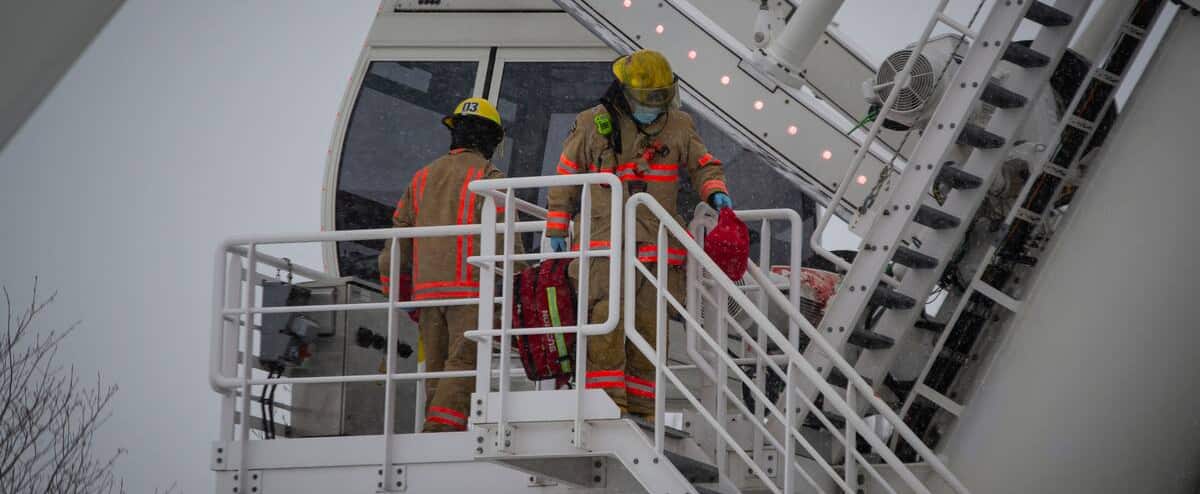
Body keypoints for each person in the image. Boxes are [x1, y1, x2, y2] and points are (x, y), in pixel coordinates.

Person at [545, 49, 733, 421]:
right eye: (649, 99)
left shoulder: (679, 125)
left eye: (661, 97)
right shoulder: (590, 123)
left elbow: (702, 163)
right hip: (603, 248)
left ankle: (645, 412)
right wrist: (557, 224)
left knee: (649, 332)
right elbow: (565, 177)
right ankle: (607, 406)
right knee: (604, 324)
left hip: (654, 249)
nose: (655, 106)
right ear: (624, 91)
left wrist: (714, 188)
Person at [378, 97, 514, 432]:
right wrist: (520, 289)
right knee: (465, 363)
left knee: (436, 371)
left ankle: (436, 429)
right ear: (492, 139)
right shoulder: (488, 176)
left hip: (427, 297)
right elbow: (507, 243)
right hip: (468, 292)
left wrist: (399, 294)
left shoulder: (422, 178)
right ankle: (440, 431)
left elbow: (394, 250)